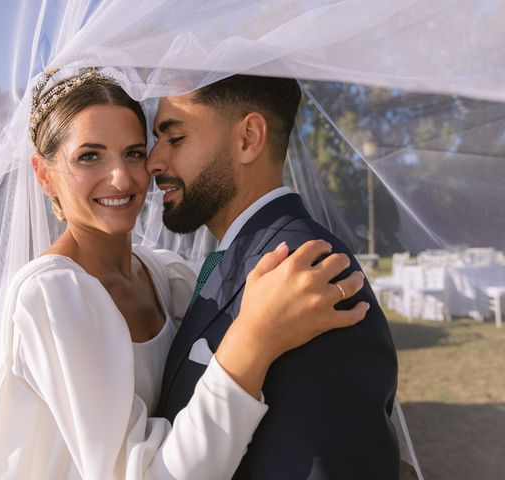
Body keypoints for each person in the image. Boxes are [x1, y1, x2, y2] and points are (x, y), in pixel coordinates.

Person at [0, 67, 369, 479]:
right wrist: (253, 339)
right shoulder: (52, 294)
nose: (122, 177)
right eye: (90, 156)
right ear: (43, 174)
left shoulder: (164, 275)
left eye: (132, 152)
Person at [148, 74, 400, 479]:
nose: (153, 162)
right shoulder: (233, 262)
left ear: (248, 138)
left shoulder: (309, 274)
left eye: (174, 139)